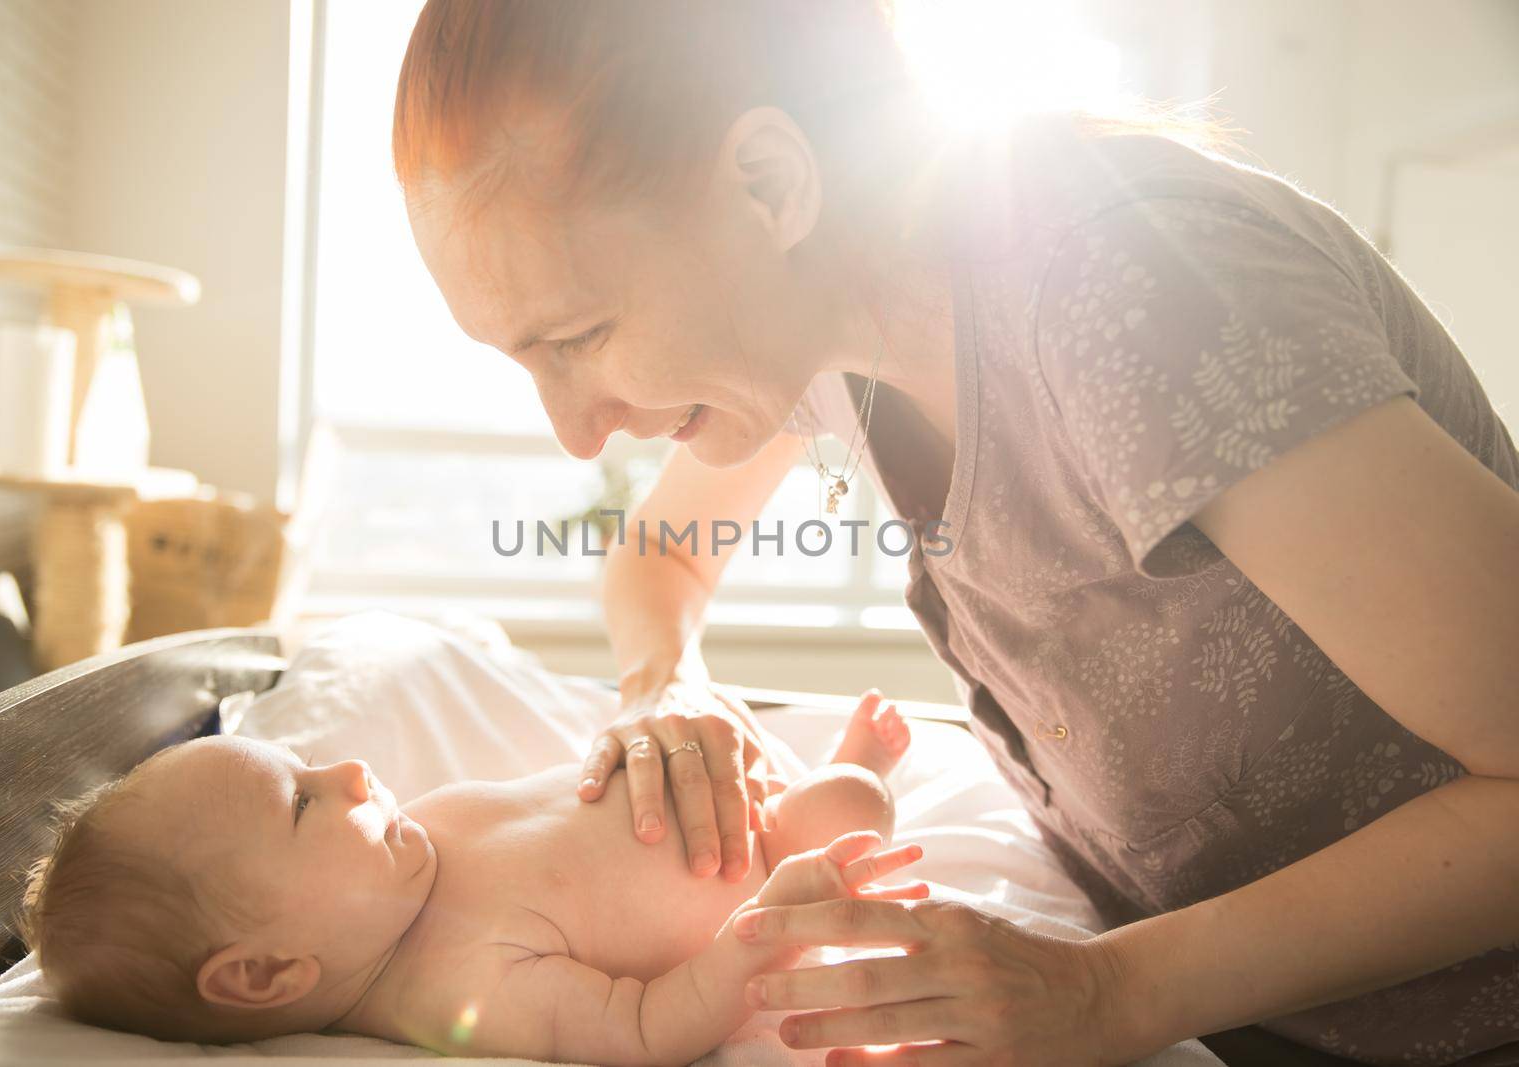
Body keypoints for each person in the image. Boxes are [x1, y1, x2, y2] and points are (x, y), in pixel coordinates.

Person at [392, 2, 1519, 1063]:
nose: (574, 433)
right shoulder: (820, 323)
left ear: (769, 182)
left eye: (579, 335)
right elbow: (664, 554)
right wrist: (664, 686)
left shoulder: (1137, 292)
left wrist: (1109, 992)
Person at [18, 694, 923, 1063]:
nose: (353, 774)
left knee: (769, 751)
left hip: (705, 798)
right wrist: (768, 919)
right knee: (850, 802)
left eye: (311, 762)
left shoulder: (416, 845)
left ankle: (808, 767)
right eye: (302, 803)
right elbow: (648, 1030)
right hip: (758, 864)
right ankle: (841, 768)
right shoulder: (457, 987)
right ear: (264, 972)